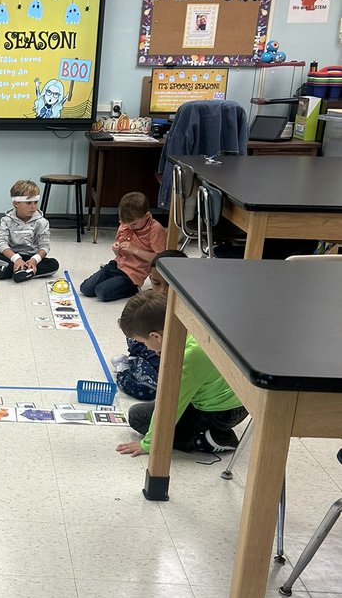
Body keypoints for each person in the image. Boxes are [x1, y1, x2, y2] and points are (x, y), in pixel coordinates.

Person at [115, 291, 248, 457]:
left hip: (221, 414)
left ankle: (212, 439)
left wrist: (149, 444)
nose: (146, 348)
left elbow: (173, 403)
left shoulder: (187, 358)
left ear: (156, 336)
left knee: (138, 417)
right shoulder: (191, 324)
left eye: (143, 342)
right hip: (242, 401)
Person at [112, 250, 187, 400]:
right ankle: (140, 358)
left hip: (176, 354)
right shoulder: (151, 298)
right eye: (156, 283)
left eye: (170, 285)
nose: (162, 291)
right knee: (134, 332)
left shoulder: (189, 306)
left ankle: (128, 367)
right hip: (155, 345)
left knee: (145, 388)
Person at [80, 191, 166, 302]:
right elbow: (119, 252)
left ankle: (132, 289)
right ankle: (113, 281)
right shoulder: (126, 225)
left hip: (133, 275)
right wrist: (116, 249)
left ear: (146, 216)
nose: (130, 227)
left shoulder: (155, 229)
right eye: (126, 224)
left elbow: (159, 259)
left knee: (101, 292)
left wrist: (135, 250)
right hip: (116, 265)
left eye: (134, 224)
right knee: (86, 289)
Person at [0, 179, 60, 283]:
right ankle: (24, 271)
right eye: (28, 203)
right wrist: (16, 259)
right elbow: (1, 242)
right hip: (11, 256)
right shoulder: (7, 220)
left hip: (31, 258)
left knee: (54, 265)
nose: (33, 207)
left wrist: (34, 260)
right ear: (16, 203)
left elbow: (44, 246)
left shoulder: (42, 222)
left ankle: (14, 270)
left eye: (35, 202)